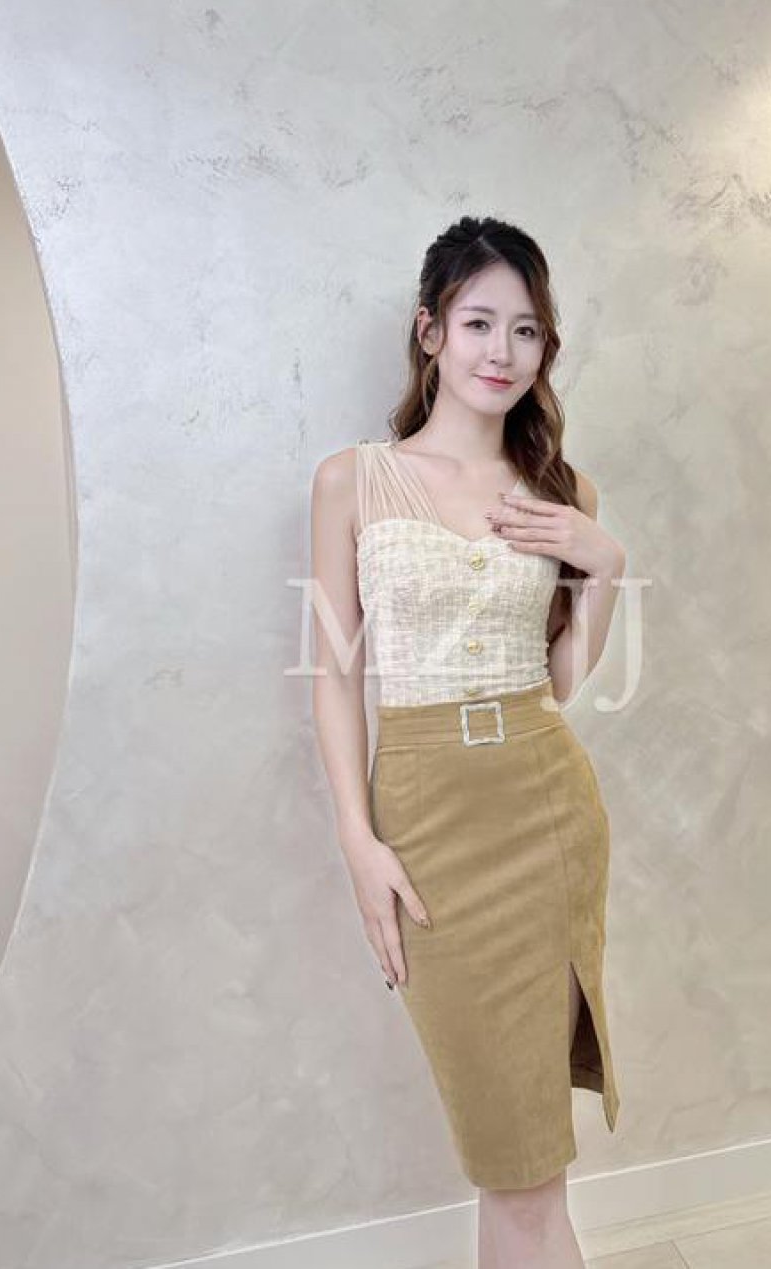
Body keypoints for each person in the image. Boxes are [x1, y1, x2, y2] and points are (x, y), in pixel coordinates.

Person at [310, 215, 627, 1269]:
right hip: (427, 820)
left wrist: (605, 567)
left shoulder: (563, 491)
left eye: (526, 329)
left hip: (545, 812)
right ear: (430, 330)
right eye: (479, 321)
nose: (503, 350)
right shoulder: (353, 480)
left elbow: (561, 683)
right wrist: (358, 840)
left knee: (525, 1165)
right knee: (511, 1152)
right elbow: (335, 675)